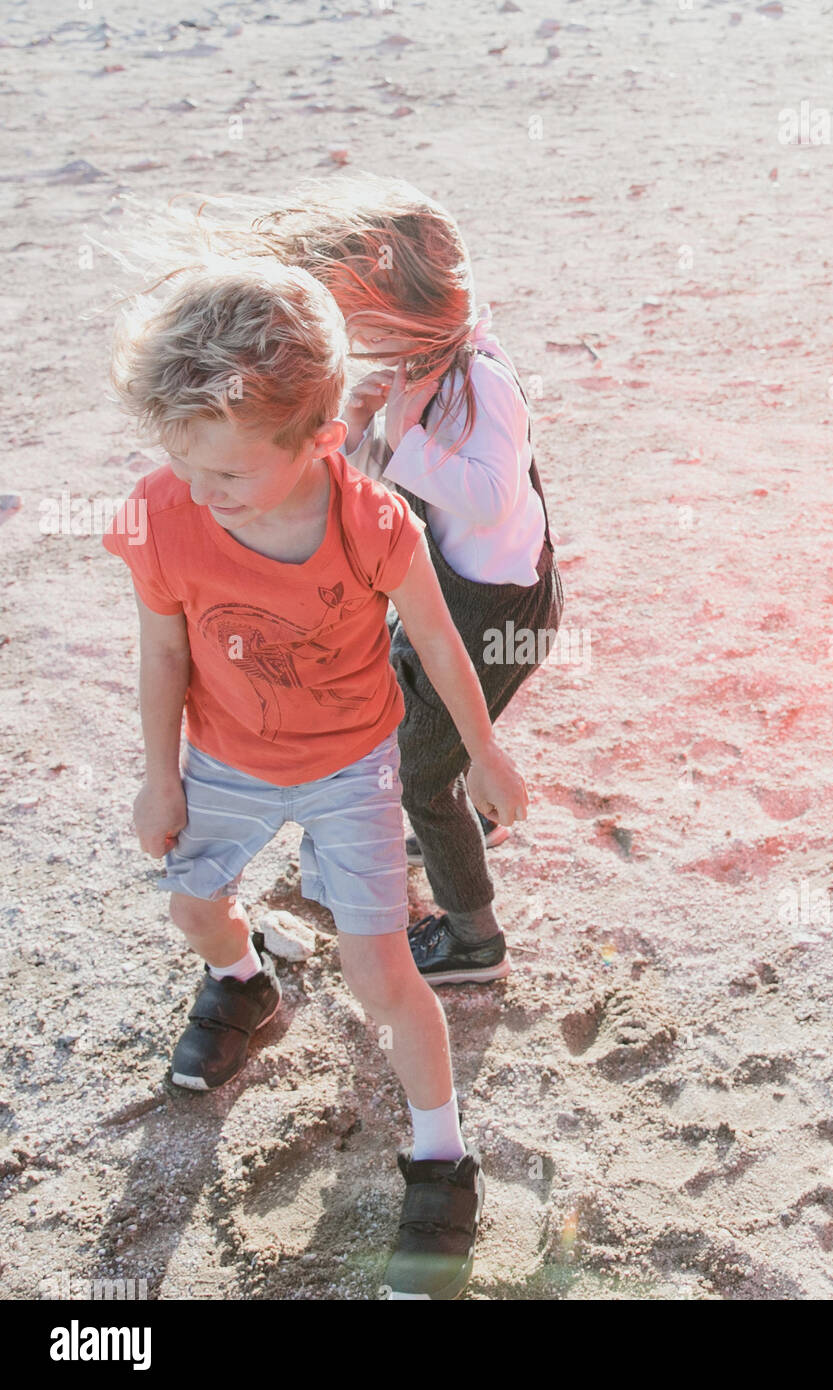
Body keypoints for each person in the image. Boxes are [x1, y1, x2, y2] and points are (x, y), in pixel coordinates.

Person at [101, 256, 524, 1299]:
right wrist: (162, 778)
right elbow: (161, 651)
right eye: (183, 463)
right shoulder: (166, 513)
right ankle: (249, 979)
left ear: (320, 439)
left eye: (230, 475)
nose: (202, 494)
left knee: (386, 977)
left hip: (349, 768)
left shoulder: (373, 520)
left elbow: (436, 636)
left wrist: (484, 751)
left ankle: (438, 1154)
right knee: (194, 910)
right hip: (226, 762)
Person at [247, 175, 565, 986]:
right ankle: (452, 810)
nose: (354, 337)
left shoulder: (479, 378)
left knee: (421, 778)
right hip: (455, 590)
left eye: (359, 317)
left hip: (497, 608)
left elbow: (491, 497)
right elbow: (381, 479)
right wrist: (358, 432)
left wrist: (400, 435)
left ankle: (473, 939)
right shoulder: (424, 370)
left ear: (404, 308)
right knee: (406, 712)